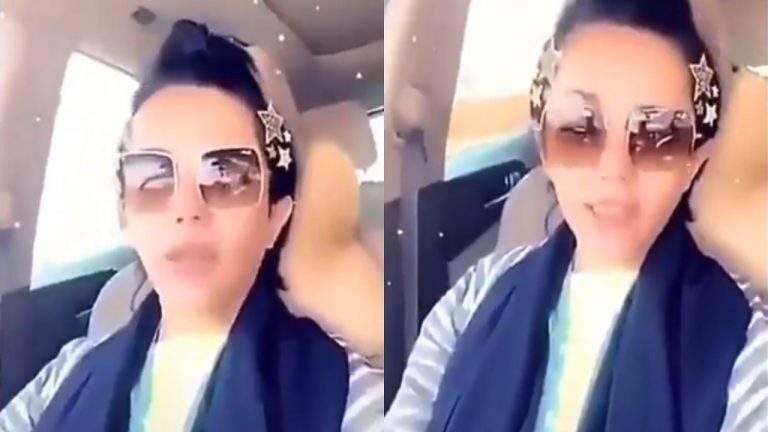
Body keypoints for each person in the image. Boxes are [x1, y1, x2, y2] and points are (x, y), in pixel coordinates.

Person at [385, 0, 767, 431]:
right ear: (544, 146)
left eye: (658, 136)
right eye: (579, 129)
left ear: (694, 163)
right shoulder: (473, 297)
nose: (614, 171)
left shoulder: (745, 346)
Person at [0, 20, 383, 432]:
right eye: (154, 177)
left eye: (227, 176)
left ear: (276, 218)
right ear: (124, 213)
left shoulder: (348, 393)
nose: (186, 208)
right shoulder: (64, 376)